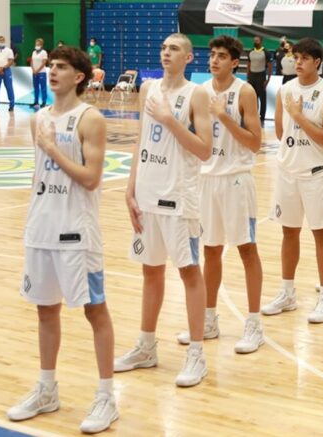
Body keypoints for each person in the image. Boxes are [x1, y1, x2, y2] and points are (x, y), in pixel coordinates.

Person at [6, 46, 118, 434]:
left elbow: (91, 178)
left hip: (77, 232)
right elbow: (39, 174)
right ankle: (47, 389)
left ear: (79, 76)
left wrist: (52, 148)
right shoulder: (39, 117)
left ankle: (106, 397)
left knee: (95, 310)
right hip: (41, 227)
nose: (52, 71)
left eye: (61, 67)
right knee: (45, 310)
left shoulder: (91, 119)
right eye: (51, 65)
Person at [114, 34, 213, 388]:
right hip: (147, 194)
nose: (166, 52)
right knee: (150, 271)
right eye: (163, 48)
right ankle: (146, 347)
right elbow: (141, 140)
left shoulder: (196, 94)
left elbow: (205, 150)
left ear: (189, 57)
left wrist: (171, 120)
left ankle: (197, 354)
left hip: (179, 199)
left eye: (174, 49)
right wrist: (131, 186)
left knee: (189, 272)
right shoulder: (148, 89)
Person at [175, 35, 265, 354]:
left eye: (222, 56)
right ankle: (209, 319)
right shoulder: (199, 92)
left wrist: (224, 115)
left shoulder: (245, 91)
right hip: (206, 180)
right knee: (210, 251)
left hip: (236, 179)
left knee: (246, 249)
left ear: (235, 62)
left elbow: (255, 143)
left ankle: (254, 324)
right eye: (212, 54)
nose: (214, 60)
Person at [260, 37, 323, 323]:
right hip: (288, 171)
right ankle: (287, 293)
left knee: (321, 235)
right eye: (296, 57)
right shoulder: (286, 89)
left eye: (304, 58)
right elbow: (281, 133)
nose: (298, 62)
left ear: (317, 61)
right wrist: (294, 121)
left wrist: (299, 116)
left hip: (317, 173)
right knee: (289, 233)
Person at [246, 36, 272, 125]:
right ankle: (254, 115)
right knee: (252, 97)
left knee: (262, 98)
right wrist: (247, 76)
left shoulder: (266, 52)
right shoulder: (250, 51)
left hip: (261, 76)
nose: (255, 41)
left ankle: (262, 117)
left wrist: (268, 79)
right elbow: (248, 64)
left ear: (261, 41)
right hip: (252, 76)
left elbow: (270, 66)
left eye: (257, 40)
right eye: (254, 40)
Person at [0, 35, 16, 111]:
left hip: (6, 70)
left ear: (4, 41)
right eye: (0, 40)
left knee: (9, 87)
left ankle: (11, 105)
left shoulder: (9, 50)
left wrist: (4, 68)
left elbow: (11, 61)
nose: (1, 42)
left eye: (2, 40)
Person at [31, 38, 49, 108]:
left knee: (43, 87)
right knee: (36, 87)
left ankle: (44, 102)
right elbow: (32, 61)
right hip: (34, 72)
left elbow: (44, 62)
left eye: (38, 44)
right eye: (36, 44)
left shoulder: (44, 52)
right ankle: (36, 101)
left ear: (41, 45)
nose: (37, 45)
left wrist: (37, 70)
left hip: (42, 72)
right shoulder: (33, 52)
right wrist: (33, 69)